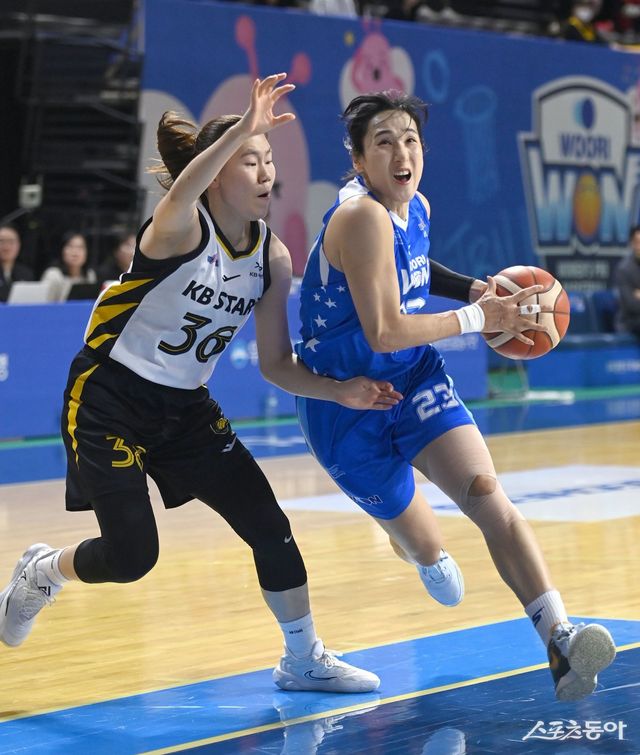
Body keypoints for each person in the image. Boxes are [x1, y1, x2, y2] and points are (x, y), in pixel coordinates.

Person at [0, 74, 403, 694]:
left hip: (184, 409)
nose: (266, 173)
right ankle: (44, 572)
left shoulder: (272, 257)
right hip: (109, 396)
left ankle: (302, 660)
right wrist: (242, 127)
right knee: (133, 556)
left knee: (268, 523)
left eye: (269, 160)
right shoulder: (180, 228)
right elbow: (186, 188)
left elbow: (276, 364)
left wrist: (339, 390)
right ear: (217, 173)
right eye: (250, 159)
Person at [294, 90, 616, 702]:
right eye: (384, 142)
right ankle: (419, 550)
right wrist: (477, 317)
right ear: (358, 160)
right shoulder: (359, 217)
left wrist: (470, 288)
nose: (402, 153)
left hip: (411, 376)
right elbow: (383, 329)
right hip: (345, 406)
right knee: (428, 549)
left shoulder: (416, 206)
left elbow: (416, 264)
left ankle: (561, 640)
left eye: (410, 140)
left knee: (487, 494)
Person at [40, 232, 98, 301]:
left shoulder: (90, 275)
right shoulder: (53, 275)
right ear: (62, 250)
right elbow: (45, 304)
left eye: (80, 247)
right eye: (70, 246)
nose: (75, 252)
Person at [614, 224, 640, 337]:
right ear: (632, 244)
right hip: (630, 322)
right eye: (638, 242)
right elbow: (631, 305)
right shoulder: (624, 269)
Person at [0, 224, 34, 303]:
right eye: (1, 241)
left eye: (11, 242)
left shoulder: (26, 274)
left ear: (18, 245)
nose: (6, 247)